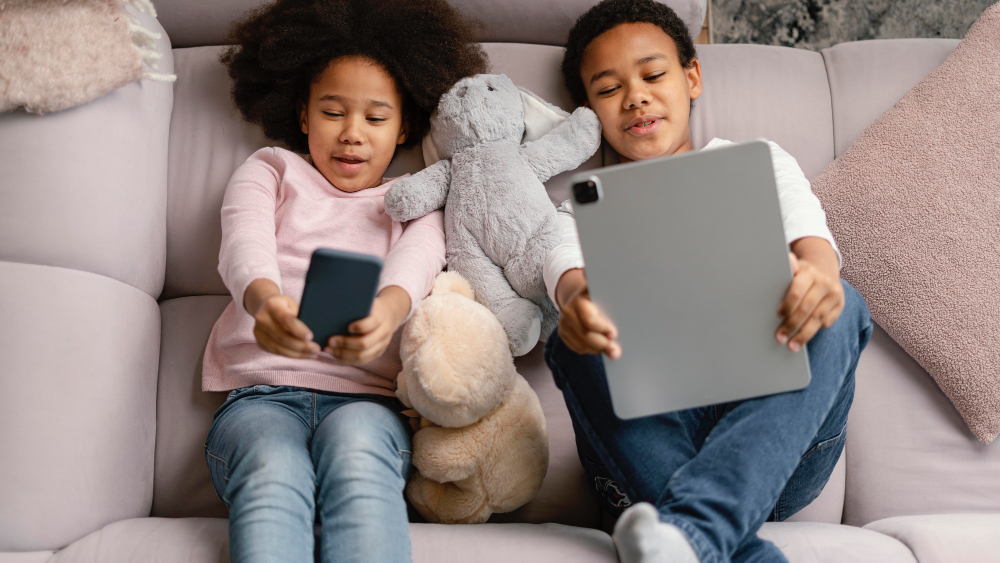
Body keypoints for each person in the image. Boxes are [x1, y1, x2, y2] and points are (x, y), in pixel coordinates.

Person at [544, 1, 873, 562]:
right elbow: (568, 278)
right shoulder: (573, 217)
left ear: (692, 77)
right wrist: (578, 308)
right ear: (588, 111)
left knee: (844, 305)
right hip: (643, 455)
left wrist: (816, 280)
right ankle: (714, 537)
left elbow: (818, 253)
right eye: (608, 89)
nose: (636, 97)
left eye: (653, 75)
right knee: (568, 343)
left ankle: (693, 533)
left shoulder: (761, 162)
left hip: (781, 450)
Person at [200, 1, 487, 561]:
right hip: (259, 399)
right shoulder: (271, 170)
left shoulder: (416, 202)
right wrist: (266, 304)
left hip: (367, 406)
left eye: (375, 119)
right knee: (271, 465)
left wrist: (386, 314)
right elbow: (243, 245)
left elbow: (417, 265)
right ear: (303, 114)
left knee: (358, 454)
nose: (353, 134)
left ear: (404, 125)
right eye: (333, 113)